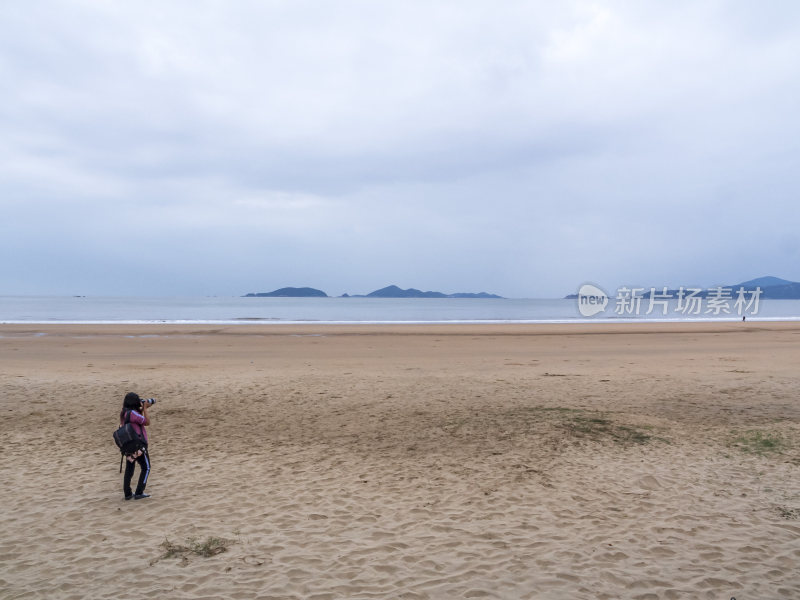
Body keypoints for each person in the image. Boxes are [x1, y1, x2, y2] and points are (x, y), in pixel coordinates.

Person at [120, 392, 152, 500]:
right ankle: (139, 492)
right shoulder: (133, 413)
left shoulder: (124, 413)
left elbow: (136, 420)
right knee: (146, 467)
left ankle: (128, 493)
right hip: (139, 445)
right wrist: (146, 409)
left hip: (129, 445)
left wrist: (141, 409)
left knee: (129, 468)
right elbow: (146, 422)